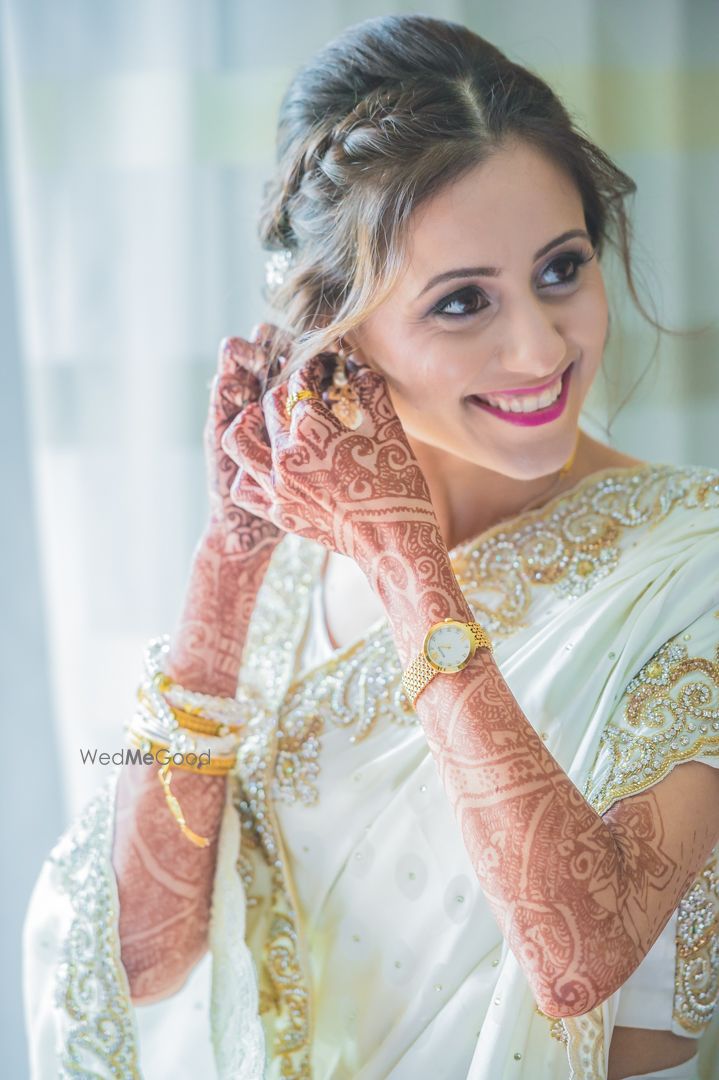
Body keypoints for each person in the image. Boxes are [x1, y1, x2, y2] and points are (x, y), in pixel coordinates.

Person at [21, 14, 719, 1080]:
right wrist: (228, 558)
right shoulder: (286, 569)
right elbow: (140, 958)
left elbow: (580, 958)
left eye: (559, 270)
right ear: (334, 330)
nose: (538, 347)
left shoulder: (691, 562)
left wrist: (406, 565)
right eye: (459, 302)